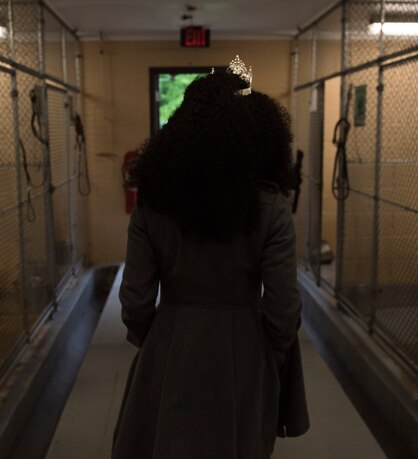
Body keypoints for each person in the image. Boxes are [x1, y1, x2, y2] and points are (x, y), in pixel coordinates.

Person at [113, 56, 306, 459]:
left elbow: (134, 300)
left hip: (170, 345)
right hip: (245, 349)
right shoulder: (270, 206)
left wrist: (162, 340)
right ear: (255, 135)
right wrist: (266, 353)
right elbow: (284, 306)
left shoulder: (154, 202)